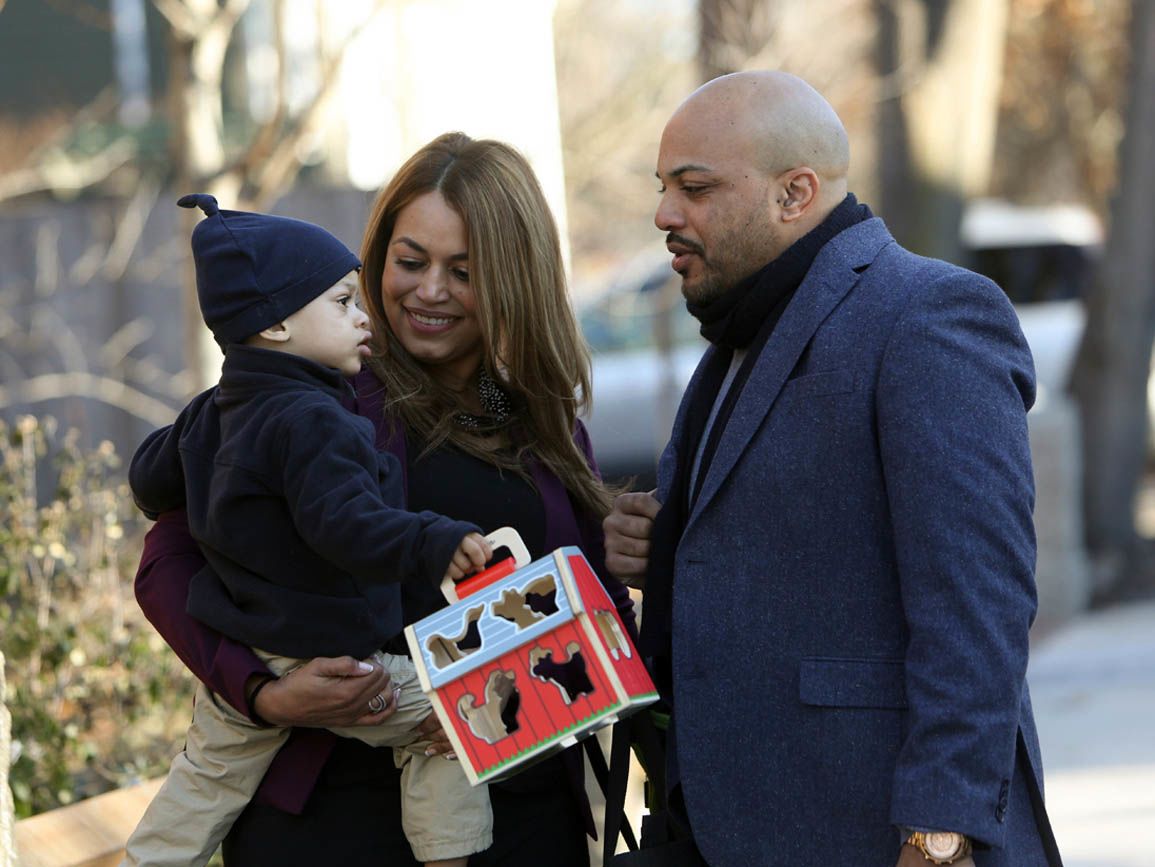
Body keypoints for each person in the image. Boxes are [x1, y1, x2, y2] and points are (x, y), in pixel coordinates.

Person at [133, 134, 633, 866]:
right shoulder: (306, 392)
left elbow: (587, 609)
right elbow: (166, 563)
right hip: (336, 816)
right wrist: (261, 692)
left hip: (520, 814)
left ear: (511, 276)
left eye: (462, 271)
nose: (428, 290)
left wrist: (626, 572)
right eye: (409, 262)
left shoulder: (533, 418)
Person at [603, 71, 1062, 866]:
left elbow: (978, 604)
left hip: (875, 833)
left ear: (794, 193)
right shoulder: (739, 334)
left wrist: (938, 832)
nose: (664, 215)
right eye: (663, 188)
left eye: (695, 187)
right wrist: (667, 546)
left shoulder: (925, 314)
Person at [123, 194, 495, 867]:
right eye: (344, 302)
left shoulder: (218, 408)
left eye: (464, 270)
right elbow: (346, 525)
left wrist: (197, 453)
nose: (365, 321)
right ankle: (449, 857)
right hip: (332, 661)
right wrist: (434, 539)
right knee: (451, 722)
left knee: (206, 779)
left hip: (255, 641)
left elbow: (149, 478)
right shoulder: (318, 416)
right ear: (275, 326)